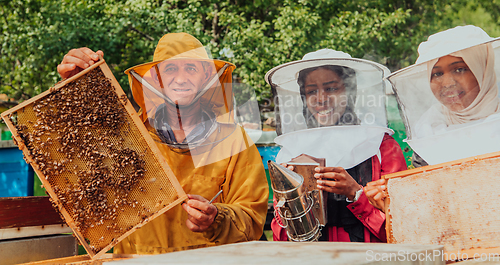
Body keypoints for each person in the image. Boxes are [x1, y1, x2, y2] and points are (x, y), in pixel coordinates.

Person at [57, 33, 269, 254]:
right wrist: (73, 86)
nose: (180, 78)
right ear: (156, 78)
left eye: (191, 68)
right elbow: (77, 159)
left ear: (207, 76)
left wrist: (217, 218)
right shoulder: (126, 136)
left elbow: (252, 219)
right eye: (170, 69)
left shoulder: (234, 141)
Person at [265, 49, 407, 242]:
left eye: (331, 88)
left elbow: (404, 227)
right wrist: (293, 202)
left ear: (349, 92)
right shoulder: (291, 152)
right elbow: (281, 239)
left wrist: (356, 193)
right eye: (311, 91)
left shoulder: (380, 145)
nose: (321, 98)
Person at [365, 25, 500, 211]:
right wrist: (392, 204)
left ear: (482, 69)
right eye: (436, 73)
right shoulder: (428, 132)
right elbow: (428, 209)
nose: (447, 83)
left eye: (459, 69)